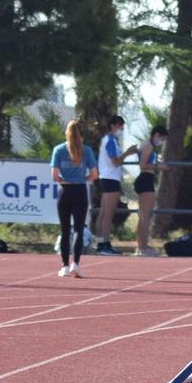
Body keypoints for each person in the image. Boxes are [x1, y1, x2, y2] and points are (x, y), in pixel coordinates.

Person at [49, 120, 94, 278]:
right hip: (80, 190)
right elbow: (95, 174)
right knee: (78, 229)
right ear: (80, 133)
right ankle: (76, 263)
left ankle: (64, 266)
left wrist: (62, 180)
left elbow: (54, 175)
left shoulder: (59, 150)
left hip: (65, 191)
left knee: (64, 229)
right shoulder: (86, 151)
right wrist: (83, 178)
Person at [93, 115, 130, 255]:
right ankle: (104, 245)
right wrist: (128, 153)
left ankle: (102, 243)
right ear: (113, 125)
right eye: (120, 126)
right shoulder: (110, 141)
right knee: (107, 214)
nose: (122, 129)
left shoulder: (108, 140)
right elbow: (116, 161)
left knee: (103, 213)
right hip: (110, 179)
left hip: (106, 178)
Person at [135, 124, 167, 256]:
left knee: (143, 216)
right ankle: (143, 247)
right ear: (157, 135)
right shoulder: (148, 145)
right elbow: (143, 164)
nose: (162, 142)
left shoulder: (146, 145)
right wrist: (158, 166)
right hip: (145, 179)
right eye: (162, 139)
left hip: (145, 179)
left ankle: (141, 246)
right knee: (145, 216)